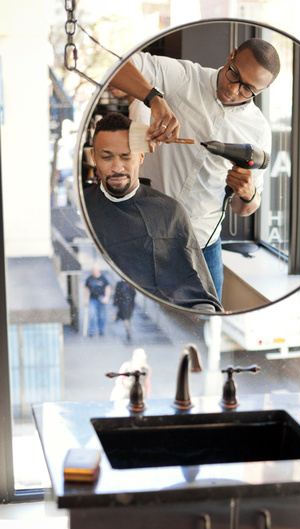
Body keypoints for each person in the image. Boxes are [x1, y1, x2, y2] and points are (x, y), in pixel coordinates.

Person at [109, 38, 281, 298]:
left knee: (204, 330)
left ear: (263, 90)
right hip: (146, 237)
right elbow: (116, 67)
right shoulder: (185, 78)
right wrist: (154, 99)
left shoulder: (258, 131)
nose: (234, 90)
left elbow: (244, 209)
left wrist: (247, 193)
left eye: (248, 89)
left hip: (203, 247)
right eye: (234, 74)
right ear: (230, 56)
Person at [84, 113, 222, 313]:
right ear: (94, 158)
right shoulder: (82, 207)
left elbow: (200, 294)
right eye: (106, 157)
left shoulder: (170, 213)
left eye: (126, 156)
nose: (117, 167)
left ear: (141, 156)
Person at [84, 264, 111, 337]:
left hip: (101, 299)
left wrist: (107, 297)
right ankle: (92, 331)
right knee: (92, 314)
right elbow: (86, 289)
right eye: (93, 271)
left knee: (101, 315)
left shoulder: (103, 279)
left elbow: (107, 288)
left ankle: (101, 330)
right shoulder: (89, 279)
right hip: (93, 299)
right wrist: (86, 299)